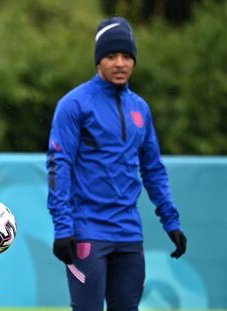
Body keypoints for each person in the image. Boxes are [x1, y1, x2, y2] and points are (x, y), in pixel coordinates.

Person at [46, 17, 187, 311]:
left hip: (128, 233)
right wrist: (63, 227)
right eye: (111, 56)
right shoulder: (74, 105)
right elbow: (59, 167)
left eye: (126, 56)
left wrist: (171, 222)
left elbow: (153, 170)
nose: (120, 63)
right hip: (87, 231)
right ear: (98, 60)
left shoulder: (141, 109)